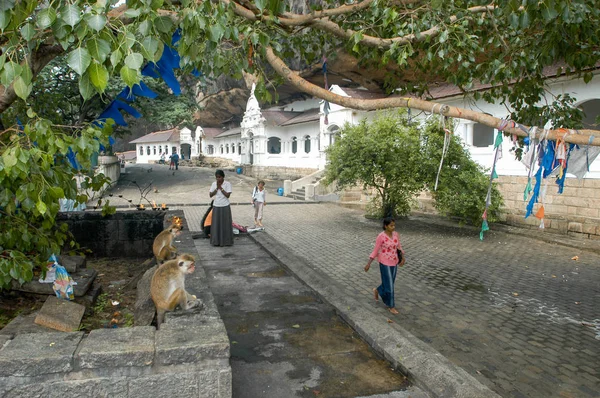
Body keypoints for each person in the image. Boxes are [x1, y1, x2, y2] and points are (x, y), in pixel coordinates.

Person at [364, 217, 405, 315]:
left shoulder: (396, 235)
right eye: (391, 225)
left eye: (394, 225)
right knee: (390, 286)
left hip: (394, 262)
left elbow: (399, 247)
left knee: (389, 283)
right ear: (385, 226)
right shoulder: (381, 236)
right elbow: (375, 250)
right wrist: (368, 264)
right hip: (384, 263)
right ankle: (391, 306)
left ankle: (378, 290)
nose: (393, 227)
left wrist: (402, 257)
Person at [209, 169, 233, 246]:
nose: (218, 179)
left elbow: (228, 195)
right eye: (216, 177)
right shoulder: (213, 184)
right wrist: (216, 188)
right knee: (216, 224)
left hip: (225, 205)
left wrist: (221, 188)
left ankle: (226, 241)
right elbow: (210, 195)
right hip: (216, 205)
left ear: (223, 177)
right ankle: (216, 241)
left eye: (219, 177)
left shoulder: (227, 184)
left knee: (225, 224)